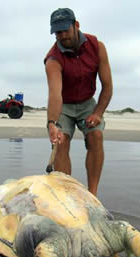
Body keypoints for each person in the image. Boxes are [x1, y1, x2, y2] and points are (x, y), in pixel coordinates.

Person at [44, 8, 113, 196]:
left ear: (76, 25)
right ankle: (67, 196)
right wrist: (52, 124)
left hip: (87, 102)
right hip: (63, 105)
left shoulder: (97, 47)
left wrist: (97, 113)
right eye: (58, 32)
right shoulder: (53, 59)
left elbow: (107, 86)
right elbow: (55, 94)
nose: (63, 36)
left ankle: (92, 195)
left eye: (66, 30)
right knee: (61, 140)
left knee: (95, 136)